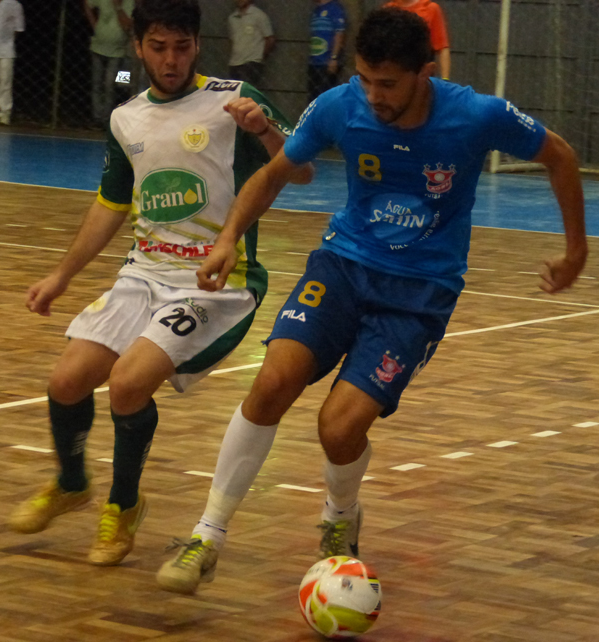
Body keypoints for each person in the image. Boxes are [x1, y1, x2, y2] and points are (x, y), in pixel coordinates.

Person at [155, 5, 588, 595]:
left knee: (338, 428)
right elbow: (275, 171)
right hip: (343, 265)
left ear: (424, 72)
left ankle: (339, 516)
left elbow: (559, 155)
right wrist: (227, 238)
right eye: (365, 79)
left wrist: (577, 253)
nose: (374, 95)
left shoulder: (475, 116)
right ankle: (208, 534)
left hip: (419, 294)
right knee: (273, 381)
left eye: (388, 84)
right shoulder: (342, 106)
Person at [8, 0, 311, 568]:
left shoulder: (235, 101)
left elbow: (302, 170)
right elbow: (110, 206)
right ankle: (73, 484)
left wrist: (266, 130)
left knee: (127, 385)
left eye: (182, 46)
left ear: (198, 44)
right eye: (158, 47)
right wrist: (61, 275)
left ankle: (123, 507)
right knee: (66, 381)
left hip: (214, 283)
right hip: (143, 274)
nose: (171, 60)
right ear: (139, 46)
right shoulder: (126, 118)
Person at [83, 0, 135, 127]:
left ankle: (106, 119)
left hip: (118, 51)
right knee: (96, 84)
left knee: (110, 85)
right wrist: (94, 24)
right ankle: (97, 118)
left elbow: (127, 26)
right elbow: (87, 4)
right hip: (98, 46)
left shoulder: (130, 3)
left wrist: (118, 7)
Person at [384, 0, 450, 80]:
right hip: (393, 72)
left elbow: (442, 47)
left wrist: (445, 79)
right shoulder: (388, 9)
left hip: (422, 73)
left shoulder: (431, 8)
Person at [228, 0, 275, 89]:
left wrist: (259, 56)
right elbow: (231, 39)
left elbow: (270, 39)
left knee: (247, 91)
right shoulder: (232, 18)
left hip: (251, 62)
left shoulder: (259, 16)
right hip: (234, 63)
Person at [308, 0, 347, 103]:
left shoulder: (334, 8)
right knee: (313, 97)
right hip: (314, 61)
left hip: (326, 61)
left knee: (326, 96)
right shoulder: (316, 10)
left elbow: (339, 34)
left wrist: (334, 58)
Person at [0, 0, 24, 126]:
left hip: (6, 49)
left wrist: (7, 40)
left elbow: (18, 28)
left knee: (5, 81)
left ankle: (4, 113)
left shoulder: (14, 5)